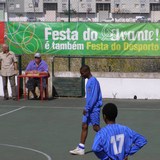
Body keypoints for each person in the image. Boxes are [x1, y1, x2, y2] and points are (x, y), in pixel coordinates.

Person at [70, 65, 103, 155]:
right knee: (84, 125)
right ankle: (81, 148)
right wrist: (86, 107)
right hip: (88, 108)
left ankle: (107, 141)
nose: (81, 75)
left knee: (96, 127)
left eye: (82, 73)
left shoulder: (94, 81)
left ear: (87, 71)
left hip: (93, 109)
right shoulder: (88, 81)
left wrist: (87, 108)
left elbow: (94, 97)